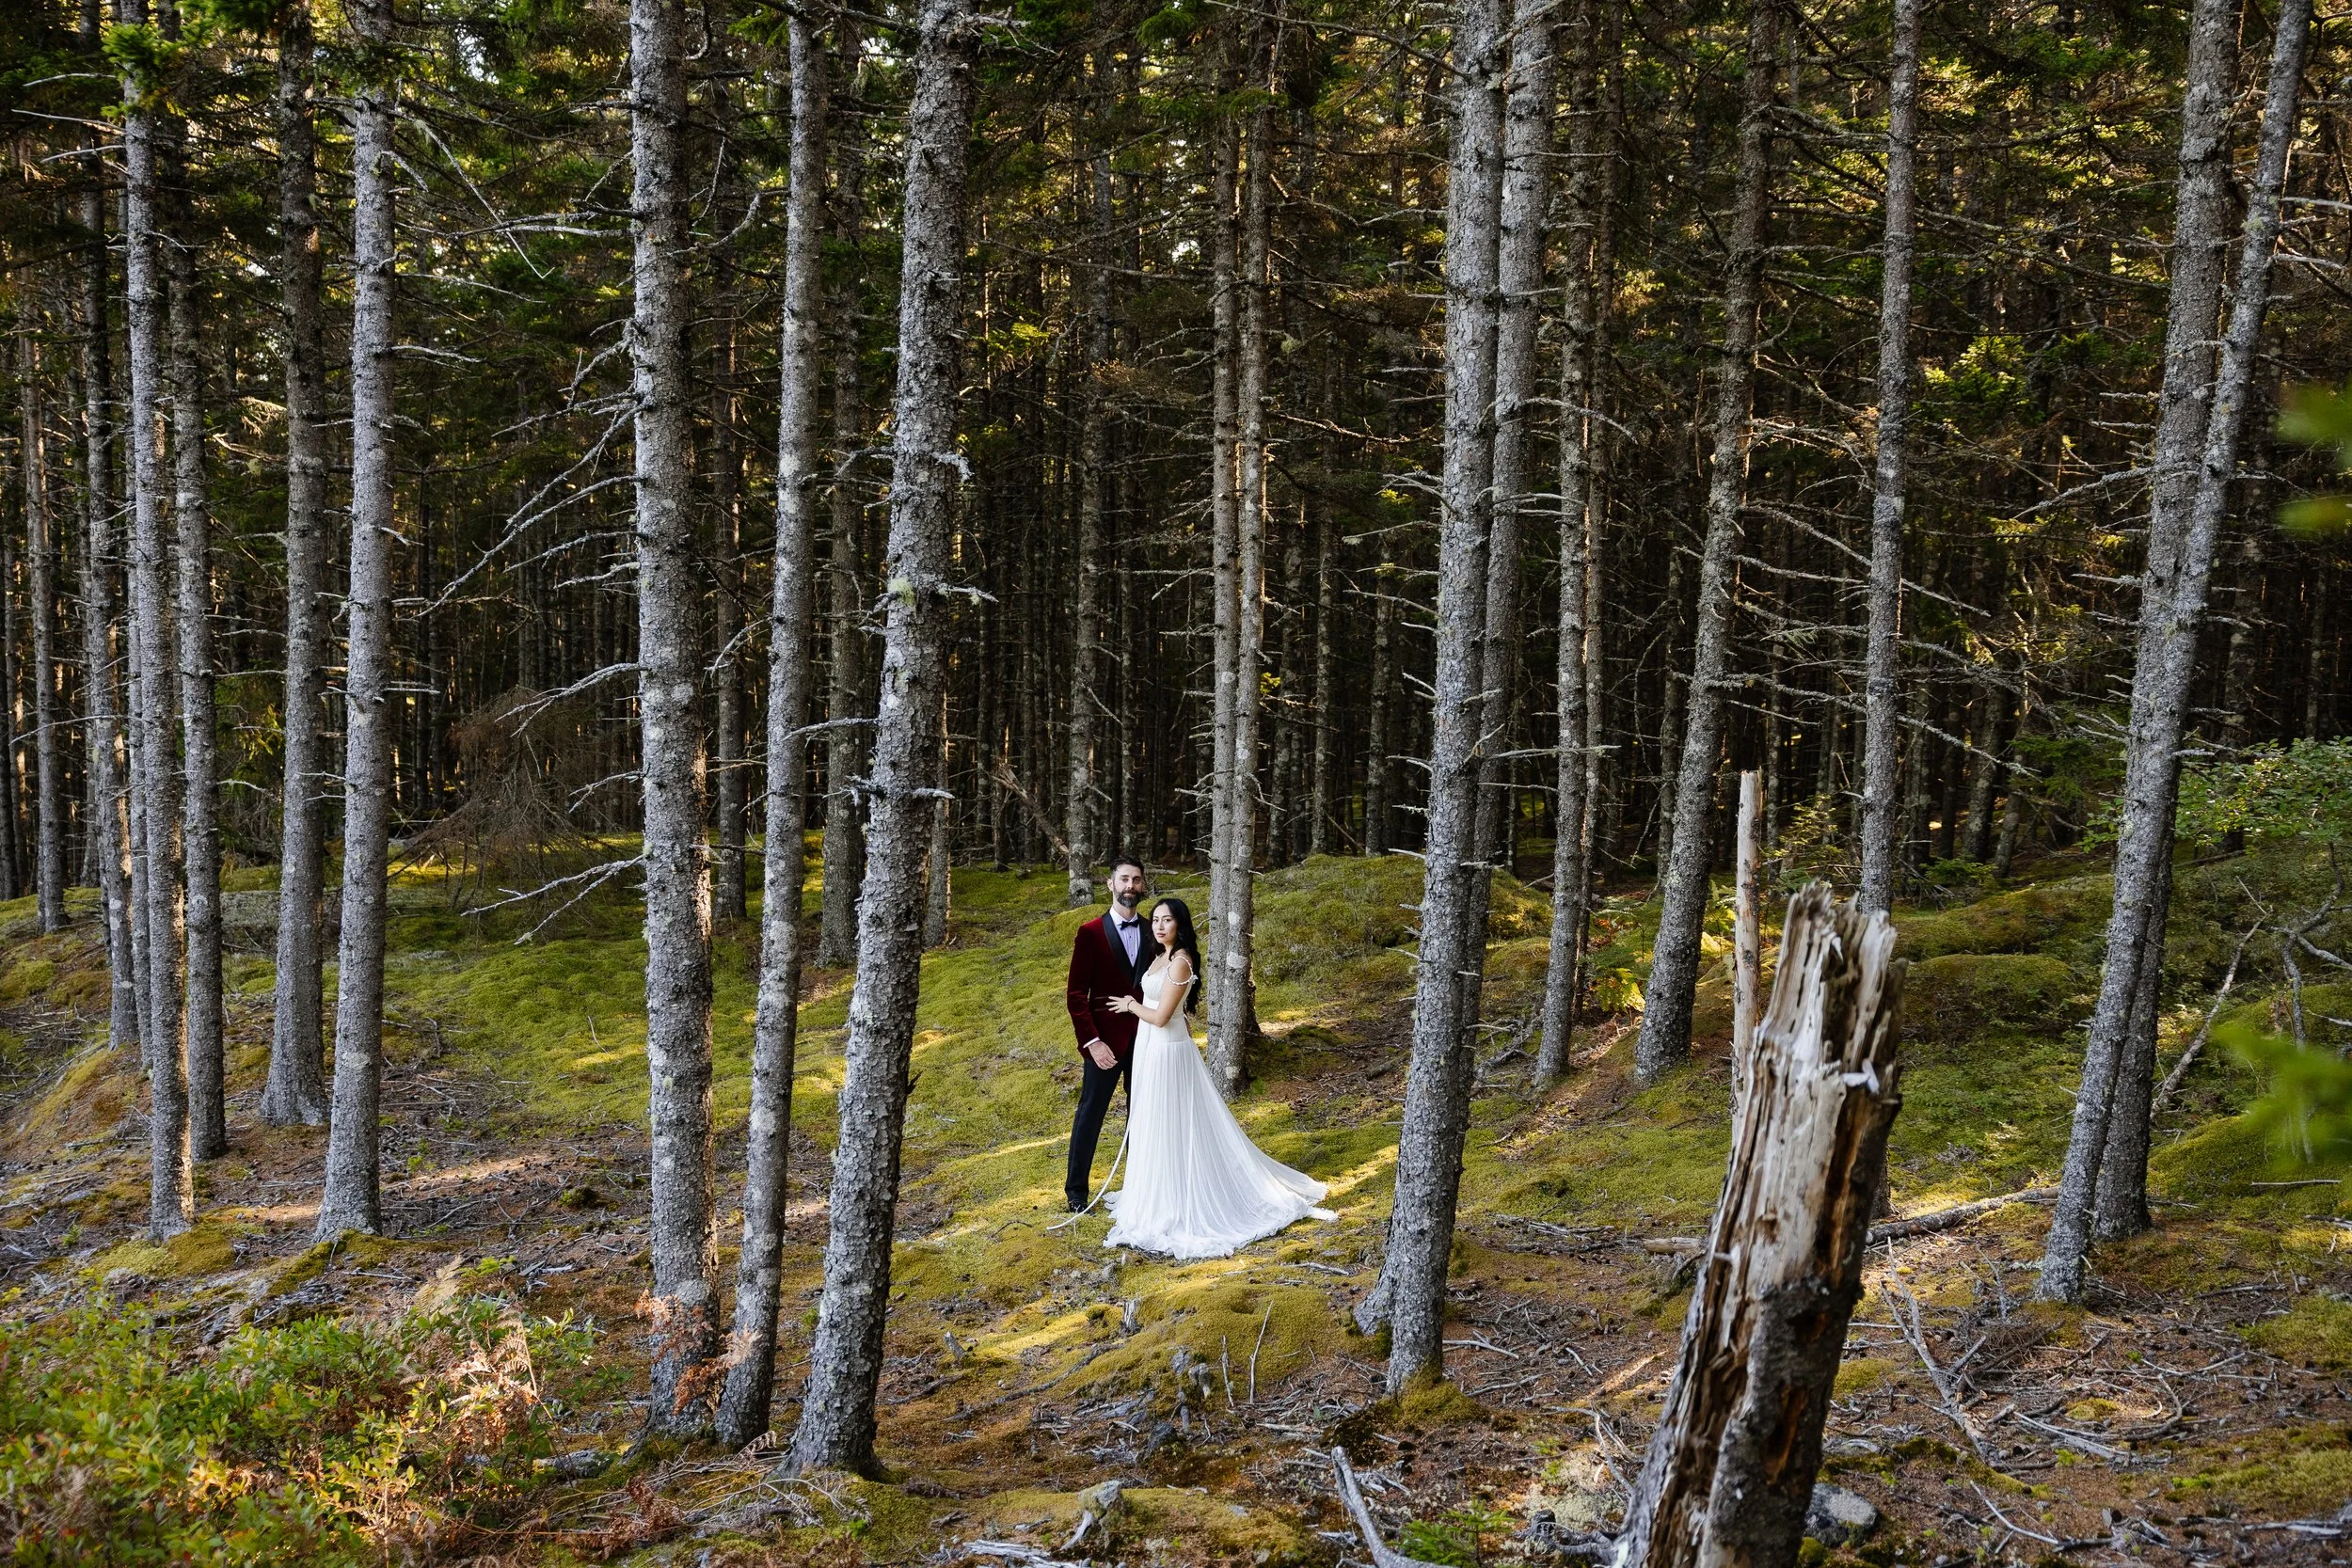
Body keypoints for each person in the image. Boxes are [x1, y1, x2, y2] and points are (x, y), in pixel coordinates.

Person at [1100, 896, 1331, 1259]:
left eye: (1167, 920)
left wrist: (1130, 1005)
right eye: (1156, 919)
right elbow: (1173, 1015)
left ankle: (1183, 1198)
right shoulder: (1160, 956)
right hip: (1152, 1048)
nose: (1159, 926)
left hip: (1166, 1051)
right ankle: (1158, 1189)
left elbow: (1161, 1017)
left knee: (1173, 1121)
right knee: (1155, 1120)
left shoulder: (1180, 962)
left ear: (1181, 925)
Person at [1063, 856, 1151, 1212]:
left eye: (1137, 880)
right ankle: (1076, 1193)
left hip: (1146, 1038)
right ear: (1111, 885)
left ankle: (1139, 1187)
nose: (1130, 886)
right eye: (1124, 880)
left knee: (1142, 1114)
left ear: (1143, 886)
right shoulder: (1090, 932)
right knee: (1091, 1113)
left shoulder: (1153, 930)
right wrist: (1092, 1041)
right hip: (1104, 1043)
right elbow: (1074, 995)